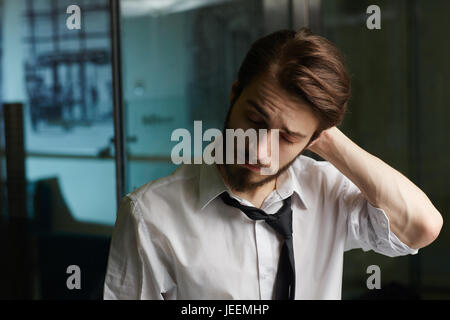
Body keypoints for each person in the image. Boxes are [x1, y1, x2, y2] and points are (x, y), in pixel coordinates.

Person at [103, 28, 443, 300]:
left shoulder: (326, 189)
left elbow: (421, 227)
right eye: (255, 120)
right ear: (234, 94)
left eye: (287, 137)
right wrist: (293, 130)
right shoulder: (149, 216)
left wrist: (326, 138)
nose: (261, 152)